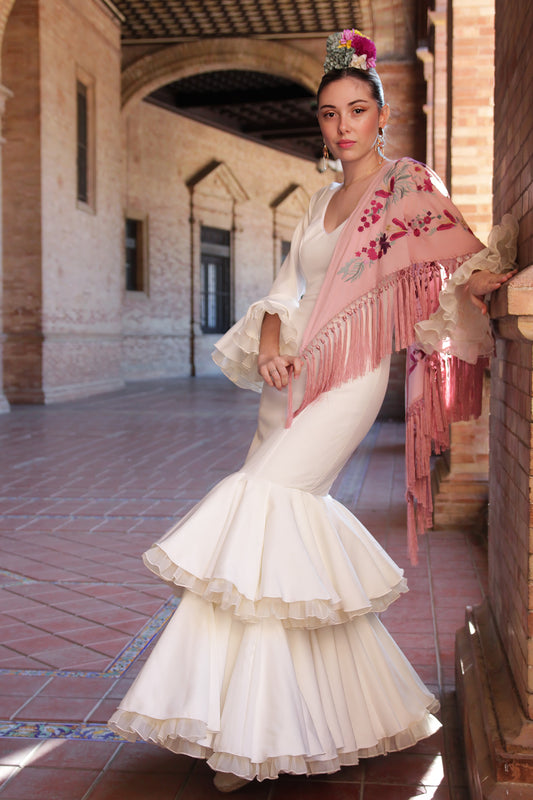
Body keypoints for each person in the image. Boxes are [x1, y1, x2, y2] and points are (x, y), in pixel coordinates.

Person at [108, 29, 517, 793]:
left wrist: (480, 280)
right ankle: (284, 721)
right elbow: (284, 289)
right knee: (269, 546)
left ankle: (250, 740)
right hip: (289, 376)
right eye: (330, 113)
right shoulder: (320, 200)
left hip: (351, 373)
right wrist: (269, 348)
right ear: (321, 124)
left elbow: (450, 254)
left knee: (263, 503)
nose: (343, 125)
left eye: (357, 110)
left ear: (380, 116)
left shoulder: (404, 184)